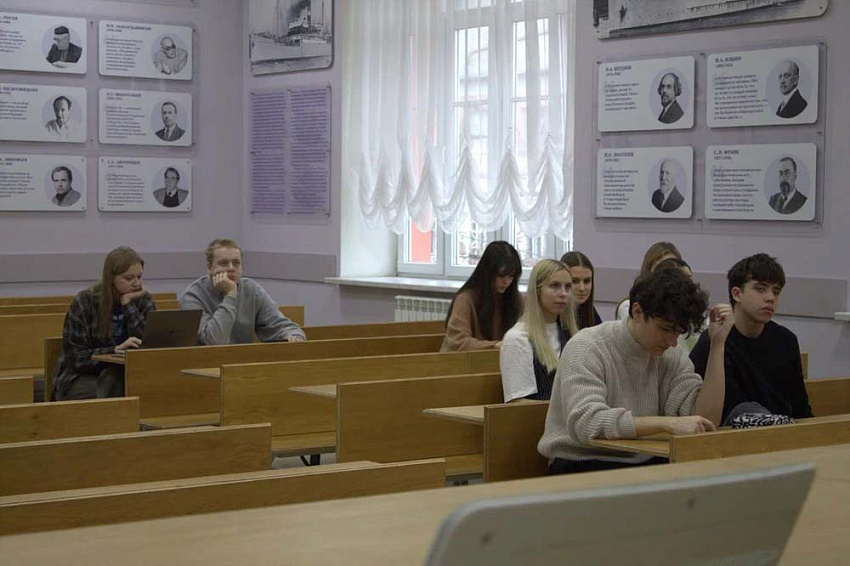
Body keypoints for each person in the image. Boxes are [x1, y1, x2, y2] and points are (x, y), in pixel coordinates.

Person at [538, 268, 734, 475]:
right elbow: (588, 424)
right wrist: (667, 424)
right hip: (582, 462)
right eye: (665, 329)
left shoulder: (671, 355)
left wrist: (717, 344)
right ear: (638, 312)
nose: (672, 342)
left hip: (646, 461)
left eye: (678, 332)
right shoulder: (587, 346)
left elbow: (704, 422)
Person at [690, 253, 813, 424]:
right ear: (737, 294)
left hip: (784, 430)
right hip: (730, 433)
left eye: (776, 291)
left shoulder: (786, 341)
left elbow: (801, 409)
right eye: (760, 289)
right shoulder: (714, 342)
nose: (770, 298)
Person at [52, 247, 155, 400]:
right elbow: (76, 358)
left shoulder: (142, 299)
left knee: (141, 387)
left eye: (139, 277)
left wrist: (128, 305)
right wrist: (114, 350)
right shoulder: (85, 301)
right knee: (117, 389)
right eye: (129, 278)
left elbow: (150, 344)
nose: (136, 283)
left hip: (126, 373)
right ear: (111, 278)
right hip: (81, 376)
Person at [179, 239, 306, 345]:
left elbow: (281, 325)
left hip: (243, 360)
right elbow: (215, 342)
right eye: (223, 263)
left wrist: (294, 336)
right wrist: (230, 295)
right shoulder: (192, 296)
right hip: (204, 362)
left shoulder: (252, 289)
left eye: (236, 263)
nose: (231, 268)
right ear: (210, 267)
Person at [500, 259, 579, 403]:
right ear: (537, 291)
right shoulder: (518, 338)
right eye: (554, 286)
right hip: (537, 415)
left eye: (568, 287)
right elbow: (517, 403)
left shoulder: (571, 334)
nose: (563, 293)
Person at [440, 241, 523, 352]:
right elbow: (458, 342)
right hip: (461, 360)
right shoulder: (466, 299)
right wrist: (495, 345)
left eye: (511, 276)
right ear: (488, 273)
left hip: (498, 359)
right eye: (501, 275)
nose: (507, 282)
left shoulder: (515, 298)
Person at [615, 241, 682, 320]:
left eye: (672, 269)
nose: (667, 275)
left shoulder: (684, 306)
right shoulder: (627, 306)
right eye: (661, 268)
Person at [560, 251, 601, 329]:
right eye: (574, 281)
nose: (582, 288)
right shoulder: (553, 316)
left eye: (587, 281)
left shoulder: (590, 312)